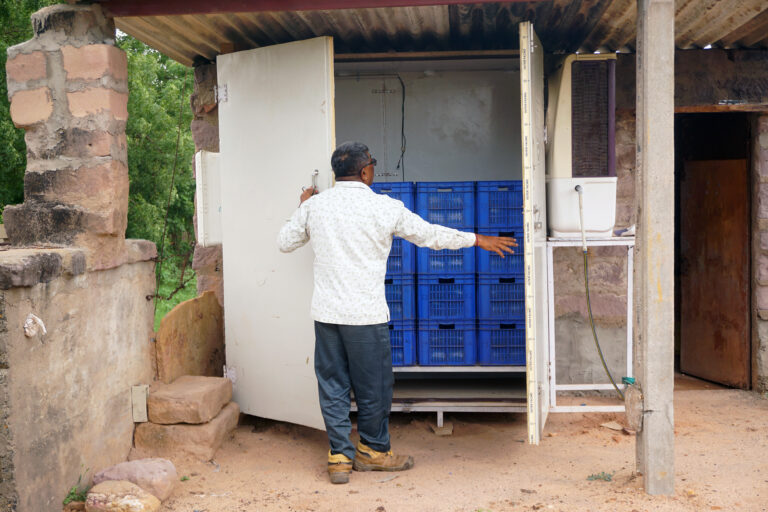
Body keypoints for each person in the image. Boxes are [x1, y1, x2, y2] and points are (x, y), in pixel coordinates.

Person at [277, 141, 517, 484]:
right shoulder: (384, 207)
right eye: (372, 164)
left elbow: (285, 242)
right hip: (366, 316)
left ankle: (339, 458)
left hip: (327, 315)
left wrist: (300, 207)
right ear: (364, 172)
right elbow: (430, 235)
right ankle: (374, 451)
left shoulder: (315, 206)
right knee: (374, 385)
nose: (373, 169)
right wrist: (477, 239)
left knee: (333, 385)